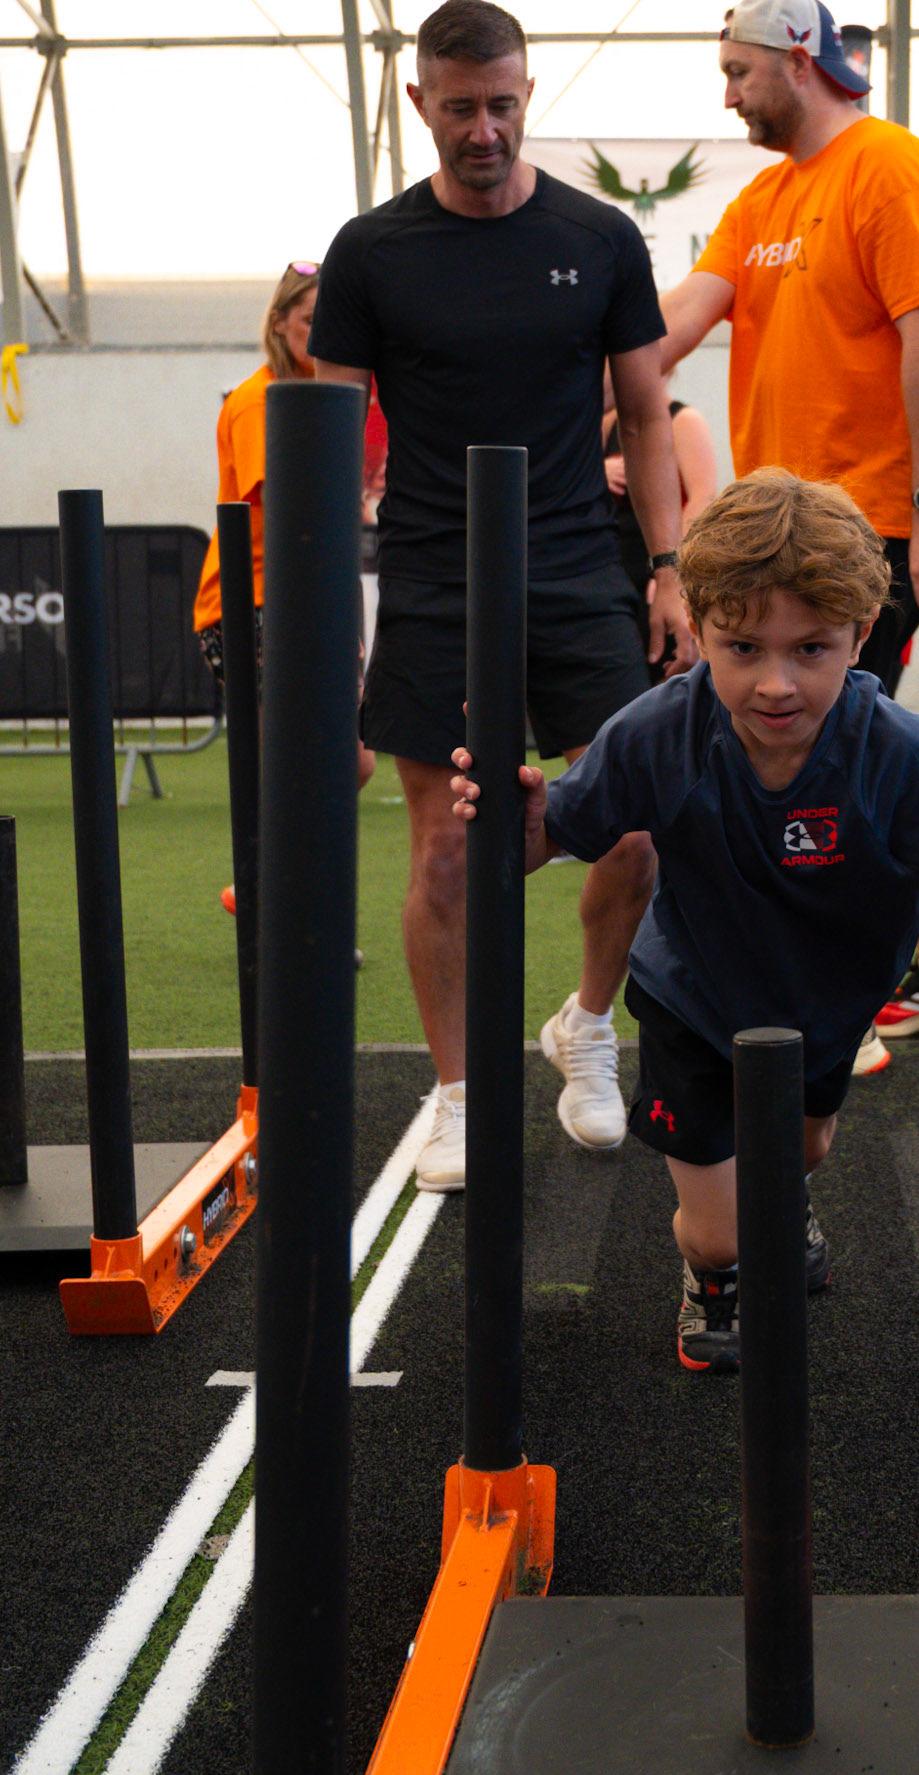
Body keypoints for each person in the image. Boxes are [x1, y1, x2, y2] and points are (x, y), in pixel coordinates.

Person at [451, 469, 919, 1371]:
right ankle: (712, 1276)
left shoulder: (896, 752)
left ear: (861, 637)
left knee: (803, 1149)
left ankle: (780, 1200)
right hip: (692, 996)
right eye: (742, 648)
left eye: (810, 650)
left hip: (826, 1003)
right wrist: (514, 820)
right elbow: (548, 836)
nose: (775, 683)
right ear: (697, 628)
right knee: (723, 1231)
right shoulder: (658, 732)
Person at [308, 0, 696, 1190]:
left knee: (633, 828)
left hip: (578, 564)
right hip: (433, 573)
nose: (485, 129)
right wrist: (322, 606)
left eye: (505, 105)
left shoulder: (600, 235)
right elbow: (325, 431)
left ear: (530, 96)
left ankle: (588, 1024)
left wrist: (670, 567)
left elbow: (646, 413)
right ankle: (460, 1092)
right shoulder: (372, 251)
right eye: (462, 108)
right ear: (419, 102)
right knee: (446, 849)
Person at [655, 0, 919, 1078]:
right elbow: (669, 330)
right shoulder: (763, 197)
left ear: (798, 59)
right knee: (833, 747)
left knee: (818, 762)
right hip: (779, 532)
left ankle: (833, 1004)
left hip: (867, 532)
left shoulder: (891, 168)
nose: (726, 93)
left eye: (737, 70)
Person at [192, 259, 376, 887]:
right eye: (310, 319)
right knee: (307, 761)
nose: (324, 332)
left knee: (350, 762)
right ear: (278, 322)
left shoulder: (328, 393)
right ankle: (270, 892)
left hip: (307, 596)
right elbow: (287, 503)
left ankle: (275, 886)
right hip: (253, 603)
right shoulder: (259, 399)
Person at [603, 375, 717, 678]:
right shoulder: (607, 423)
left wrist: (671, 565)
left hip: (656, 559)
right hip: (615, 560)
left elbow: (702, 497)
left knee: (657, 660)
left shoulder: (683, 420)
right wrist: (600, 471)